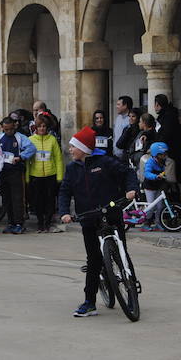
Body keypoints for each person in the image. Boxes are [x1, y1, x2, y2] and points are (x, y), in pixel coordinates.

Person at [59, 126, 138, 317]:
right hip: (87, 217)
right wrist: (64, 212)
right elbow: (64, 192)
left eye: (73, 146)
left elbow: (128, 173)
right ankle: (89, 302)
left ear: (84, 148)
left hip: (111, 213)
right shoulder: (72, 169)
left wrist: (131, 189)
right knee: (93, 259)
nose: (70, 150)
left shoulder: (105, 162)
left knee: (122, 252)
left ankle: (132, 289)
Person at [0, 116, 36, 234]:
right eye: (6, 129)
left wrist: (21, 157)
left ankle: (19, 223)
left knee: (17, 198)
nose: (9, 131)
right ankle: (10, 223)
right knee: (6, 198)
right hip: (2, 172)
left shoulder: (20, 137)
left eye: (10, 129)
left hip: (15, 171)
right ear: (2, 128)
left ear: (14, 126)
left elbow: (32, 148)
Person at [27, 115, 64, 232]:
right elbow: (28, 161)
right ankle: (40, 222)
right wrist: (27, 177)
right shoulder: (31, 140)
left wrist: (59, 176)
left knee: (50, 200)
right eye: (40, 126)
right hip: (36, 175)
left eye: (44, 126)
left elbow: (58, 158)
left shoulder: (52, 140)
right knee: (38, 201)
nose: (42, 128)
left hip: (50, 175)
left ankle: (47, 222)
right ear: (36, 128)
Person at [140, 141, 175, 232]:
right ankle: (146, 223)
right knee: (151, 206)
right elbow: (147, 173)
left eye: (165, 154)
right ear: (156, 154)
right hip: (150, 187)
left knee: (160, 206)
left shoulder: (163, 162)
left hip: (158, 186)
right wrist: (155, 176)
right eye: (162, 155)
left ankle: (158, 223)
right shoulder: (150, 162)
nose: (165, 156)